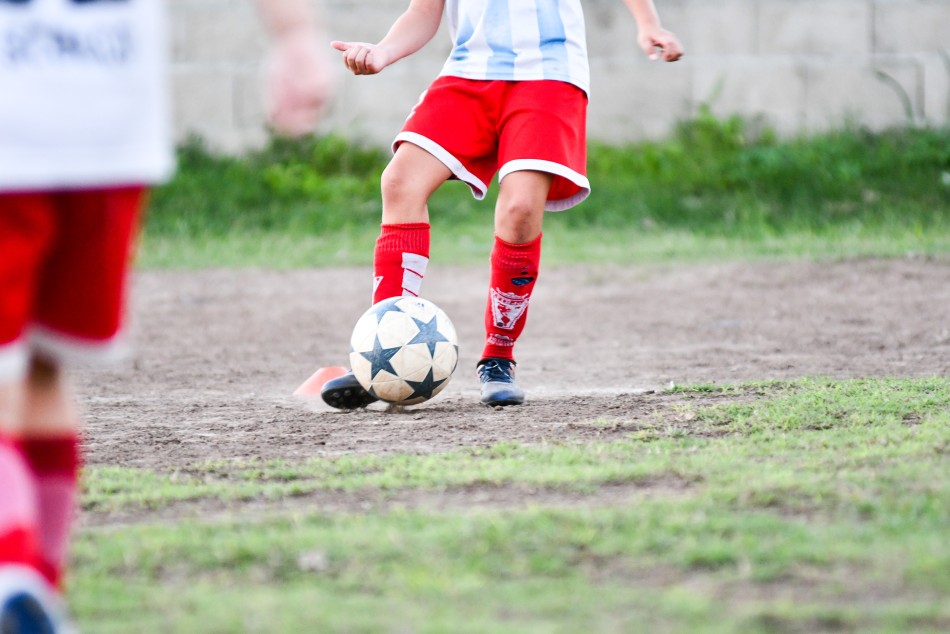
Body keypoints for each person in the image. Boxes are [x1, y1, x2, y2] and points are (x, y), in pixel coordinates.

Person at [0, 1, 332, 631]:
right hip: (108, 128)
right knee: (43, 373)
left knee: (25, 374)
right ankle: (35, 585)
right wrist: (295, 35)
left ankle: (12, 577)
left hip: (47, 123)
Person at [320, 0, 683, 409]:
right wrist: (383, 51)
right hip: (468, 74)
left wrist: (648, 23)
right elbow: (424, 11)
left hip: (549, 75)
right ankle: (382, 352)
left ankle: (498, 358)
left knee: (520, 209)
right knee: (400, 181)